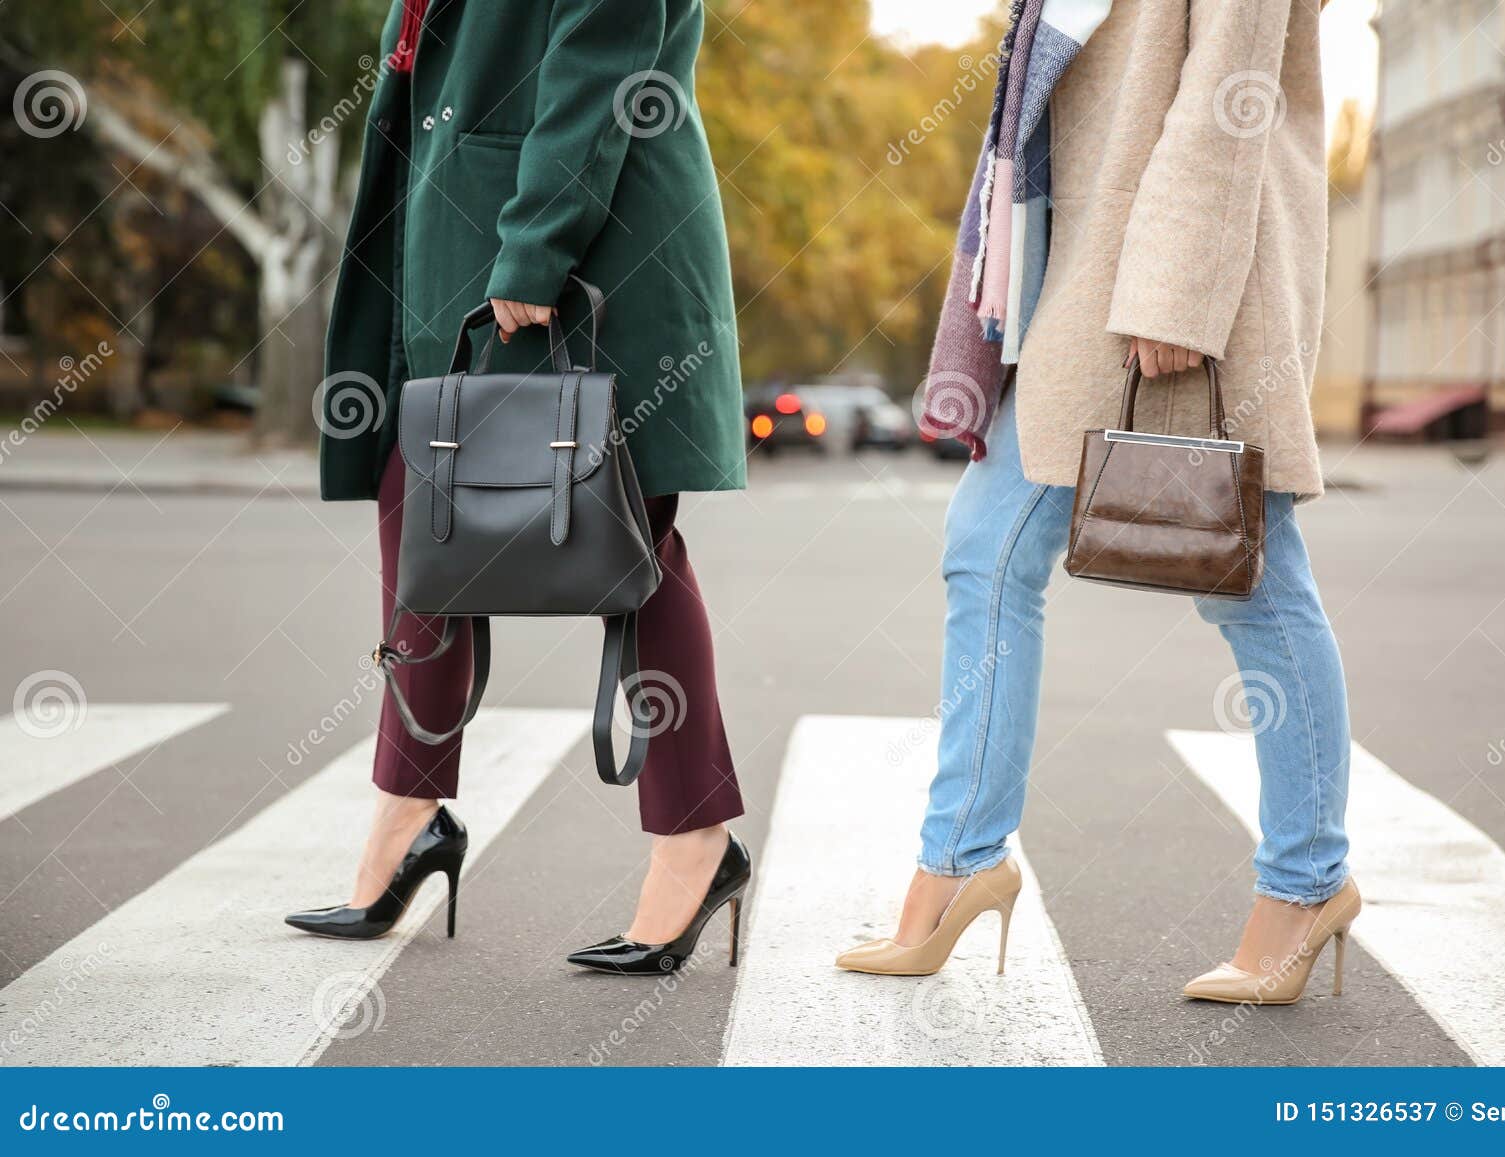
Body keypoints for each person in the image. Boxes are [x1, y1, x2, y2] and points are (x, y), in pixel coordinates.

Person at [836, 0, 1358, 1004]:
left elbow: (1229, 90)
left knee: (1251, 580)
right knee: (985, 549)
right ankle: (958, 861)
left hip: (1178, 287)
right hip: (1078, 275)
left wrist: (1174, 290)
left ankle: (1306, 882)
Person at [287, 0, 751, 976]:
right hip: (460, 228)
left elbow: (601, 55)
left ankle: (695, 835)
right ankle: (410, 813)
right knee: (420, 509)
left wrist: (539, 239)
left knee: (629, 543)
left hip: (578, 236)